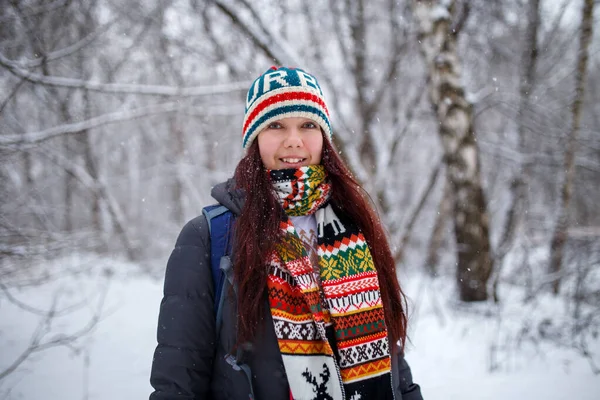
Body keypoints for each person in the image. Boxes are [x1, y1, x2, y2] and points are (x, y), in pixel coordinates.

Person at [149, 66, 423, 400]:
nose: (293, 140)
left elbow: (394, 371)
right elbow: (178, 381)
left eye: (308, 125)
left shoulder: (355, 227)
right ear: (255, 139)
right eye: (276, 125)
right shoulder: (209, 237)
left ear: (324, 137)